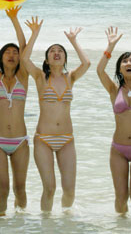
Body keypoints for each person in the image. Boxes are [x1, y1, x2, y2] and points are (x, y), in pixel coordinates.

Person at [21, 16, 90, 212]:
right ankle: (47, 226)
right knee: (49, 188)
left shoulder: (71, 77)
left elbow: (86, 63)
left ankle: (65, 226)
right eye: (52, 51)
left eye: (60, 51)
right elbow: (24, 59)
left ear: (65, 58)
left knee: (69, 190)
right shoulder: (41, 77)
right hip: (44, 139)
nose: (56, 53)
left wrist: (73, 41)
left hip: (67, 139)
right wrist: (34, 34)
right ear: (47, 59)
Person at [96, 26, 131, 216]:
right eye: (125, 61)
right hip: (118, 149)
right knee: (120, 197)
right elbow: (99, 70)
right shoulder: (114, 90)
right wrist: (110, 46)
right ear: (120, 68)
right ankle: (121, 229)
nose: (129, 63)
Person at [0, 6, 30, 216]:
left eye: (15, 53)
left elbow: (25, 46)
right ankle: (1, 226)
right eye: (7, 52)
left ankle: (20, 227)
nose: (12, 55)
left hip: (20, 141)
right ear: (1, 57)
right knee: (2, 189)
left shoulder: (24, 77)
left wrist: (14, 19)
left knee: (20, 189)